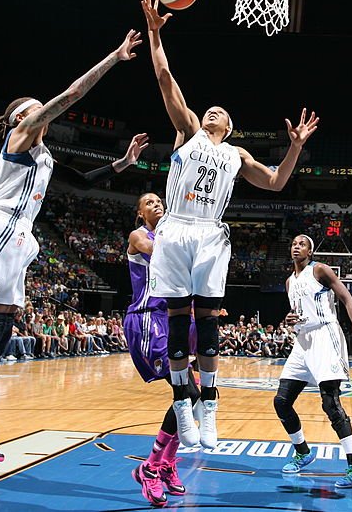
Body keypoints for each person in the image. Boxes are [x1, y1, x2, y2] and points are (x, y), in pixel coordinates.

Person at [0, 28, 150, 471]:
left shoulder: (45, 156)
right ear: (20, 119)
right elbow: (73, 93)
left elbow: (80, 181)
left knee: (0, 337)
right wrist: (114, 57)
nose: (42, 113)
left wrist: (125, 163)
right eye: (34, 110)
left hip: (19, 240)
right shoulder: (18, 140)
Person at [139, 0, 319, 449]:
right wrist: (156, 34)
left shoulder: (236, 154)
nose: (213, 110)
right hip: (176, 226)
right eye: (210, 109)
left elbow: (277, 183)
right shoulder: (188, 132)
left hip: (210, 234)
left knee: (209, 321)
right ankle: (184, 405)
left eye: (222, 111)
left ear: (232, 127)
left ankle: (210, 404)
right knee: (179, 320)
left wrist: (295, 145)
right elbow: (165, 78)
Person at [274, 235, 352, 488]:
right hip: (303, 342)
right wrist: (291, 320)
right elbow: (299, 313)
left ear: (310, 250)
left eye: (302, 244)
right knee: (282, 401)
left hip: (325, 335)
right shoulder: (289, 282)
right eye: (294, 243)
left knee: (330, 403)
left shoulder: (319, 270)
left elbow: (348, 300)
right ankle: (303, 452)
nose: (297, 246)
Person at [123, 192, 200, 508]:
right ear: (140, 213)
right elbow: (161, 255)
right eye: (149, 203)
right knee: (186, 394)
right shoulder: (139, 236)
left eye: (160, 202)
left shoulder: (172, 236)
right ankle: (152, 467)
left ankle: (162, 463)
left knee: (191, 397)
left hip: (171, 320)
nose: (157, 205)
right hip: (147, 320)